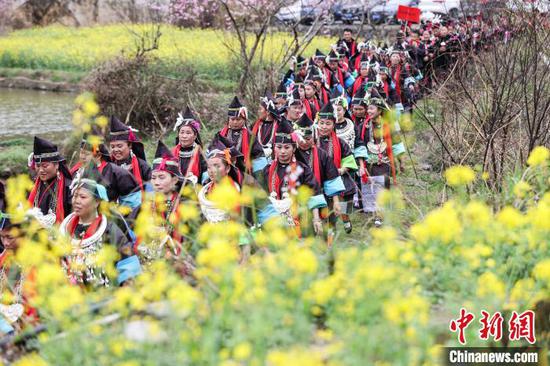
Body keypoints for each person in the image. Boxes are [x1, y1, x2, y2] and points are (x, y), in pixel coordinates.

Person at [59, 178, 141, 287]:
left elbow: (128, 268)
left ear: (97, 202)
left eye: (82, 197)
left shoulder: (109, 230)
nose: (76, 200)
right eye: (75, 196)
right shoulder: (65, 229)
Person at [259, 121, 326, 235]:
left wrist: (316, 219)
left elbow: (314, 192)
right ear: (274, 148)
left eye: (287, 147)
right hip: (272, 218)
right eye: (279, 147)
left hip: (298, 219)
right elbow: (261, 196)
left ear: (294, 148)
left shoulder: (302, 169)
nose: (282, 151)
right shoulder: (267, 170)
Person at [356, 95, 398, 227]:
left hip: (384, 161)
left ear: (379, 110)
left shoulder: (387, 125)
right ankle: (375, 215)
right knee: (371, 189)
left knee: (382, 188)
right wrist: (362, 165)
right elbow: (360, 145)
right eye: (368, 108)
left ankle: (379, 215)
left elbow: (395, 143)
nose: (368, 111)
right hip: (370, 162)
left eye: (372, 108)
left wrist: (398, 161)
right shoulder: (363, 126)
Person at [316, 103, 358, 233]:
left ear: (333, 125)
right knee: (327, 212)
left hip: (338, 177)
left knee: (343, 203)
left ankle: (345, 219)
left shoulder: (339, 142)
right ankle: (328, 234)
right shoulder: (312, 141)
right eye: (321, 123)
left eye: (328, 124)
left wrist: (342, 170)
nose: (324, 127)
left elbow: (349, 160)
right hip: (319, 180)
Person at [72, 133, 142, 209]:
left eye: (86, 154)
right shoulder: (76, 172)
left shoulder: (118, 174)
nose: (82, 157)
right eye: (81, 152)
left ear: (98, 155)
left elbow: (133, 207)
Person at [0, 213, 36, 335]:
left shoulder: (36, 262)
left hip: (27, 324)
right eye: (2, 237)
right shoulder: (4, 258)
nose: (5, 243)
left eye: (10, 238)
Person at [27, 136, 72, 227]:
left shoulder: (68, 187)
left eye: (45, 166)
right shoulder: (33, 186)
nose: (40, 170)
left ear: (56, 165)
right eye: (38, 166)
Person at [219, 96, 267, 178]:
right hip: (223, 170)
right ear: (228, 119)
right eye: (232, 119)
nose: (235, 122)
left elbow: (259, 156)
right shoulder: (221, 135)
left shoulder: (250, 136)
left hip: (244, 171)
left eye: (238, 119)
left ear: (244, 120)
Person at [108, 116, 152, 192]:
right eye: (112, 146)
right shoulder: (108, 165)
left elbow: (152, 187)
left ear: (130, 145)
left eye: (119, 146)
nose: (115, 150)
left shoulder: (142, 166)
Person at [172, 106, 208, 185]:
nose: (184, 136)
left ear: (195, 136)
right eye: (182, 132)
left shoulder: (200, 153)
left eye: (188, 133)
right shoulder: (172, 153)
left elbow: (206, 174)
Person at [252, 92, 281, 164]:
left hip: (274, 161)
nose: (258, 111)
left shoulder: (279, 126)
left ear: (268, 112)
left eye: (260, 109)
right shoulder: (255, 126)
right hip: (258, 161)